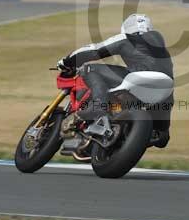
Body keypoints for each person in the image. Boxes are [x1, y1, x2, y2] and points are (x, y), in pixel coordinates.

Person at [57, 14, 173, 148]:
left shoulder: (126, 38)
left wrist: (67, 61)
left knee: (89, 68)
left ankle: (99, 105)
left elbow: (94, 50)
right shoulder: (163, 50)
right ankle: (124, 129)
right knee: (161, 134)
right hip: (165, 90)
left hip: (137, 78)